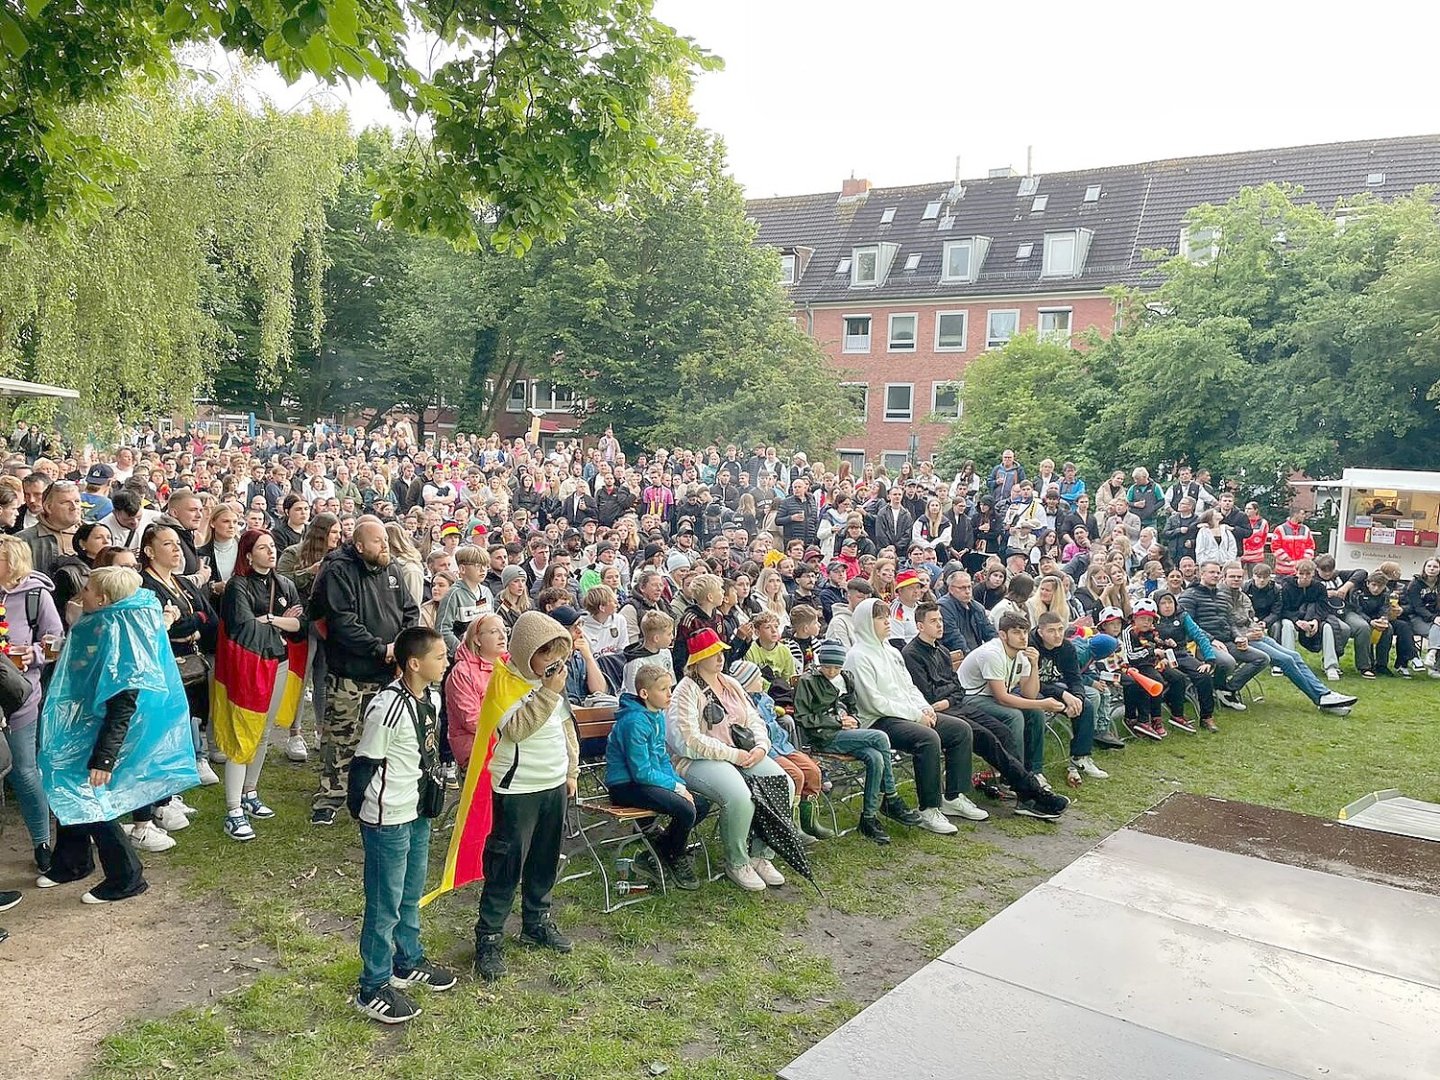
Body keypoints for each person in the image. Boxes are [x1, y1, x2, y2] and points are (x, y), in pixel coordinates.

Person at [36, 566, 196, 903]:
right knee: (69, 787)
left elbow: (123, 706)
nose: (84, 592)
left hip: (100, 734)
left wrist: (104, 758)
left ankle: (126, 876)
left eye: (90, 589)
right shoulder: (107, 623)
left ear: (104, 599)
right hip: (83, 725)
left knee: (91, 798)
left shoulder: (122, 637)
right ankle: (73, 861)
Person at [351, 626, 457, 1024]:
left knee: (411, 891)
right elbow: (364, 764)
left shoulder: (432, 696)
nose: (446, 661)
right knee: (384, 902)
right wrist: (363, 810)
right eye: (440, 656)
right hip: (388, 817)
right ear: (414, 664)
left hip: (415, 810)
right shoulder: (387, 706)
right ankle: (372, 984)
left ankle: (407, 960)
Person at [472, 611, 580, 981]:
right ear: (524, 651)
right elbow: (517, 729)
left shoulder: (553, 686)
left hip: (553, 784)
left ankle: (537, 921)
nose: (553, 661)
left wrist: (570, 771)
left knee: (544, 858)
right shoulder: (504, 682)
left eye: (557, 652)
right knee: (506, 863)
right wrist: (547, 693)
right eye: (544, 652)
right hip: (518, 787)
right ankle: (489, 936)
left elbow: (566, 729)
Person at [905, 603, 1073, 813]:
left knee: (1001, 731)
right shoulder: (911, 653)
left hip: (955, 705)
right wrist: (949, 699)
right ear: (920, 626)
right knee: (989, 735)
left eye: (940, 620)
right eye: (933, 621)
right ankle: (1029, 792)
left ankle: (1026, 788)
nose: (940, 625)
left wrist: (1035, 666)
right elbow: (928, 694)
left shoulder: (942, 650)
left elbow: (957, 688)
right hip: (942, 710)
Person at [309, 518, 419, 826]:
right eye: (377, 541)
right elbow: (342, 622)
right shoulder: (338, 571)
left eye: (385, 539)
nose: (384, 545)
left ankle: (370, 793)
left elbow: (410, 611)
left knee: (379, 736)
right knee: (341, 736)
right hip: (350, 672)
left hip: (387, 674)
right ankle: (330, 796)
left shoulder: (393, 570)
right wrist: (379, 648)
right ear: (359, 546)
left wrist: (401, 646)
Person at [666, 627, 792, 893]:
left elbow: (754, 718)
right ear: (697, 659)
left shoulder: (731, 683)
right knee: (739, 796)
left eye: (721, 651)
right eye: (712, 653)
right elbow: (687, 741)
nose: (720, 657)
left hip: (743, 753)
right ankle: (737, 862)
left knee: (783, 783)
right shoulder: (685, 690)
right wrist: (732, 754)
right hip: (699, 760)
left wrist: (761, 746)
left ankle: (761, 855)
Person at [211, 529, 307, 842]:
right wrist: (278, 621)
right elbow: (242, 627)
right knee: (244, 733)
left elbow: (299, 626)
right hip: (248, 667)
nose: (271, 552)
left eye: (272, 547)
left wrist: (271, 620)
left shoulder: (285, 583)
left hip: (278, 664)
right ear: (248, 555)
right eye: (263, 548)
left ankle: (250, 792)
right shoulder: (238, 585)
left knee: (264, 732)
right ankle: (233, 808)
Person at [140, 520, 219, 842]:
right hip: (166, 666)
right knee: (163, 732)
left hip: (192, 664)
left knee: (185, 725)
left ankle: (170, 795)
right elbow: (162, 628)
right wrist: (189, 622)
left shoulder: (183, 583)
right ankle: (156, 804)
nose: (176, 550)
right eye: (168, 544)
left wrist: (191, 623)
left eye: (177, 544)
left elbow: (209, 618)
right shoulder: (145, 585)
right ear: (149, 550)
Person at [605, 664, 704, 888]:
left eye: (670, 687)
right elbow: (640, 771)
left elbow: (660, 759)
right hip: (625, 786)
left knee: (701, 804)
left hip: (646, 781)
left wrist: (679, 785)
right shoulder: (634, 722)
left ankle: (657, 851)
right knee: (686, 809)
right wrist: (676, 789)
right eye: (663, 689)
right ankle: (674, 855)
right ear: (645, 694)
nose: (670, 693)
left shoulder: (657, 715)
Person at [0, 534, 64, 871]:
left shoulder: (35, 595)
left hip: (19, 699)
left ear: (12, 562)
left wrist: (36, 653)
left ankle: (41, 842)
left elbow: (56, 643)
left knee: (24, 772)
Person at [1152, 590, 1218, 732]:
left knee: (1204, 675)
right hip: (1160, 658)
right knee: (1176, 678)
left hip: (1181, 654)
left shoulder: (1182, 616)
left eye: (1170, 602)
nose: (1167, 606)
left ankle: (1207, 717)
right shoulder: (1151, 619)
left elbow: (1199, 636)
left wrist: (1209, 660)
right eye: (1163, 603)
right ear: (1157, 605)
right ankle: (1176, 713)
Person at [1280, 559, 1349, 681]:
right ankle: (1288, 663)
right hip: (1293, 619)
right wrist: (1297, 621)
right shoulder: (1286, 586)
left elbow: (1323, 607)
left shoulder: (1319, 587)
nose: (1305, 577)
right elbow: (1283, 609)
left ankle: (1331, 666)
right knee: (1286, 625)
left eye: (1308, 574)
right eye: (1301, 574)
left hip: (1314, 618)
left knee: (1328, 627)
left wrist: (1316, 621)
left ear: (1313, 573)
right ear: (1296, 573)